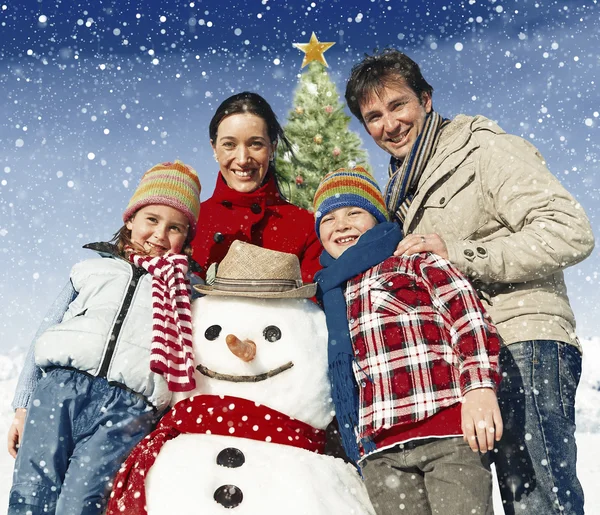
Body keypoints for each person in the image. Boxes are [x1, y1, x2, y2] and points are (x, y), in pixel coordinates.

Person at [344, 49, 595, 514]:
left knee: (537, 500)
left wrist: (461, 253)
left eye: (398, 105)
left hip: (522, 340)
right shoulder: (405, 186)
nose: (389, 124)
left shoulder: (484, 149)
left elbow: (569, 230)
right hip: (466, 356)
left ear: (426, 98)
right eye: (373, 116)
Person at [7, 160, 202, 515]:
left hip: (129, 408)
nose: (160, 235)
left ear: (186, 236)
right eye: (152, 220)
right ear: (130, 220)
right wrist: (23, 406)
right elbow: (44, 332)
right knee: (32, 491)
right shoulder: (93, 268)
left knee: (83, 502)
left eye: (175, 228)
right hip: (59, 392)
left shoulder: (186, 289)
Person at [313, 166, 502, 515]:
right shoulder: (329, 292)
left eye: (354, 212)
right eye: (329, 218)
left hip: (446, 432)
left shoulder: (413, 260)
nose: (341, 224)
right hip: (380, 452)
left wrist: (479, 388)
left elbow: (469, 318)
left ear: (377, 218)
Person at [191, 91, 322, 284]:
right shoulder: (189, 222)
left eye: (255, 144)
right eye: (229, 144)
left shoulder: (306, 227)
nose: (243, 159)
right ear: (214, 148)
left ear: (272, 148)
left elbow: (313, 309)